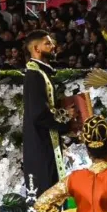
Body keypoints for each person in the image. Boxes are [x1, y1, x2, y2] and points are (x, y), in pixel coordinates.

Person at [22, 30, 72, 197]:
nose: (53, 47)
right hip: (41, 145)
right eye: (48, 44)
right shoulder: (34, 75)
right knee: (47, 193)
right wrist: (66, 118)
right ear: (36, 49)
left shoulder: (41, 72)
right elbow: (39, 114)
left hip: (44, 141)